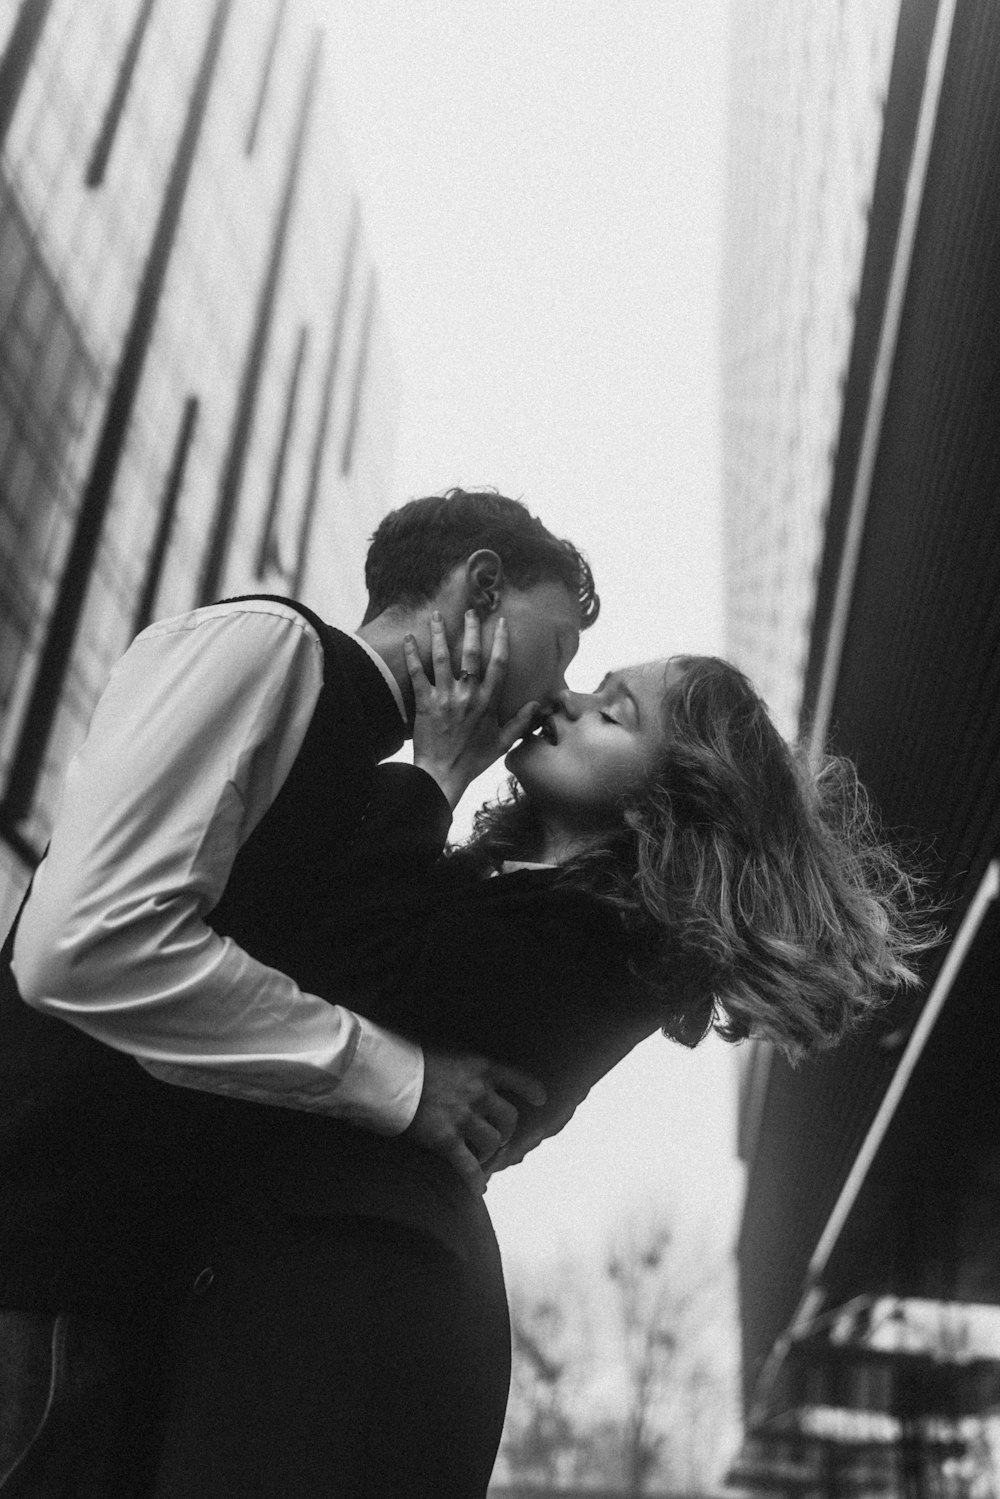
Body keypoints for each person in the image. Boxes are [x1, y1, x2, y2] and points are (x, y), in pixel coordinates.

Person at [145, 645, 935, 1497]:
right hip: (291, 1283)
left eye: (613, 709)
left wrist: (437, 771)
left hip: (357, 1311)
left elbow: (342, 965)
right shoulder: (496, 886)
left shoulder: (613, 949)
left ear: (676, 791)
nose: (564, 698)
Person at [0, 488, 599, 1497]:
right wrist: (404, 1080)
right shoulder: (266, 644)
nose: (556, 691)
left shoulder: (377, 769)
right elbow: (84, 946)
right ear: (481, 585)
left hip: (114, 1302)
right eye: (560, 643)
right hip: (34, 1271)